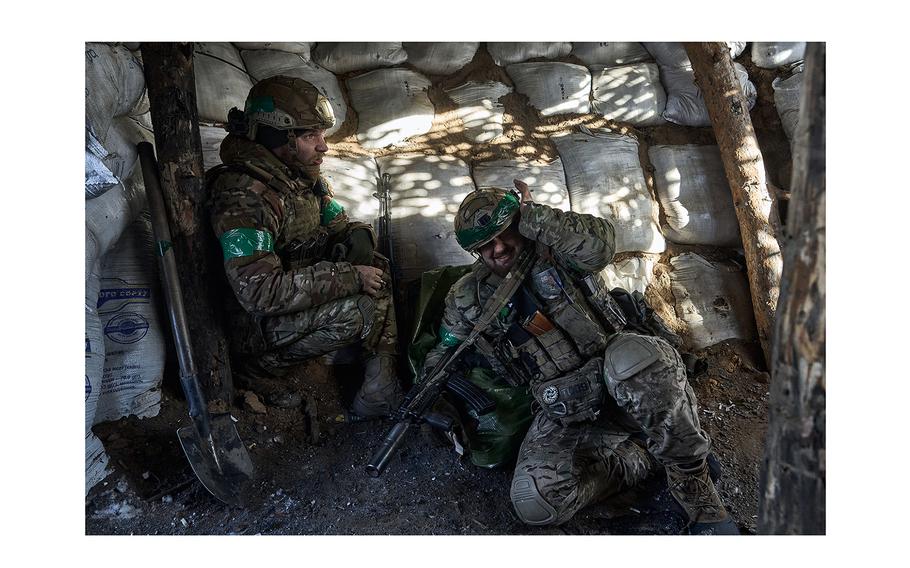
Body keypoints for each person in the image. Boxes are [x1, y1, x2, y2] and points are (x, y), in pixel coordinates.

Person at [417, 179, 738, 534]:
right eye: (485, 247)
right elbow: (445, 350)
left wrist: (536, 218)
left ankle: (697, 489)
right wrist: (433, 397)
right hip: (566, 405)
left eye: (504, 234)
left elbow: (602, 244)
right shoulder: (469, 297)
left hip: (628, 379)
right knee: (537, 502)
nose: (499, 249)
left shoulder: (558, 249)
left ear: (518, 224)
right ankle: (644, 458)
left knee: (633, 358)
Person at [206, 75, 402, 419]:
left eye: (321, 134)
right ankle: (259, 371)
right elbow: (259, 293)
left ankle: (379, 387)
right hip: (253, 326)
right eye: (311, 135)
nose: (323, 146)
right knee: (357, 310)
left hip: (292, 299)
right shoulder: (245, 197)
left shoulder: (301, 179)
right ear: (278, 136)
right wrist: (349, 276)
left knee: (378, 266)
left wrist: (358, 239)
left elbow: (337, 222)